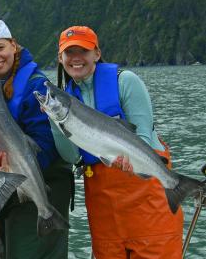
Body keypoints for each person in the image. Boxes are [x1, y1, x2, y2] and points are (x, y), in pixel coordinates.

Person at [53, 25, 184, 258]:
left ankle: (177, 186)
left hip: (146, 194)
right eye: (69, 52)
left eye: (82, 51)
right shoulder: (63, 99)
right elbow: (72, 156)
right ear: (60, 58)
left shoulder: (126, 82)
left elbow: (143, 136)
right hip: (104, 208)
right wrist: (55, 122)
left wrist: (132, 163)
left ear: (97, 53)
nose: (76, 58)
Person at [0, 19, 72, 259]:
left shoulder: (37, 86)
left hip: (43, 183)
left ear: (13, 45)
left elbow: (46, 144)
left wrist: (16, 167)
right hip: (5, 185)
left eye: (0, 47)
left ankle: (47, 213)